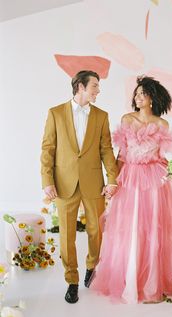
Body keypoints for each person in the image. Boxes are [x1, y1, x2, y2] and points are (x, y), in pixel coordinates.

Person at [90, 76, 172, 303]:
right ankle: (129, 280)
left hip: (153, 181)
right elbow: (121, 155)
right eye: (136, 94)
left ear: (152, 98)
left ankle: (151, 284)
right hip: (130, 177)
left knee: (152, 229)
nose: (137, 97)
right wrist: (113, 181)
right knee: (128, 228)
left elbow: (161, 159)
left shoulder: (162, 125)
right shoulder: (127, 120)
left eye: (142, 94)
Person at [40, 70, 118, 303]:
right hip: (64, 183)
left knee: (97, 231)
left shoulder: (101, 116)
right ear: (80, 87)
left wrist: (112, 178)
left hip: (94, 182)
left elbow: (106, 149)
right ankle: (71, 280)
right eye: (95, 86)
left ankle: (91, 266)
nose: (98, 90)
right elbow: (48, 149)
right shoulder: (55, 113)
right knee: (67, 236)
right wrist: (47, 181)